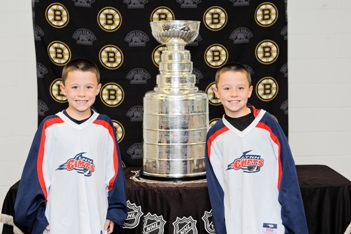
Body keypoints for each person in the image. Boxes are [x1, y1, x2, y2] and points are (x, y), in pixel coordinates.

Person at [14, 58, 128, 234]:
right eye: (75, 87)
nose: (82, 93)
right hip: (58, 222)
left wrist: (114, 213)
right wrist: (36, 219)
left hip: (95, 220)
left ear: (98, 89)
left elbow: (113, 175)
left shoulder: (104, 126)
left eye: (88, 87)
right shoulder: (50, 126)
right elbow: (35, 176)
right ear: (63, 89)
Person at [205, 62, 308, 234]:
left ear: (250, 90)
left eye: (240, 88)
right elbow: (216, 190)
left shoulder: (267, 124)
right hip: (236, 224)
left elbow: (287, 176)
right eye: (227, 88)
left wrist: (296, 227)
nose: (234, 94)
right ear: (216, 92)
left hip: (270, 219)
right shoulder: (215, 136)